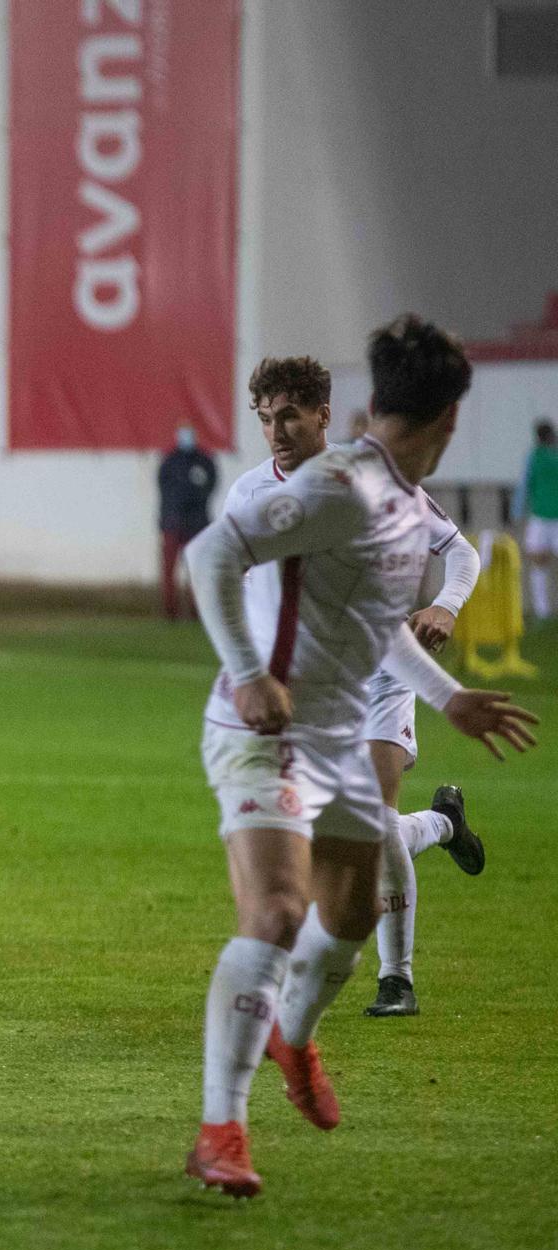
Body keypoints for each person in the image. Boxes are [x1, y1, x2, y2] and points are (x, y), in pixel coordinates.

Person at [181, 318, 538, 1198]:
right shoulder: (337, 487)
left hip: (339, 740)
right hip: (258, 732)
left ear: (370, 404)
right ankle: (221, 1128)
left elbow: (375, 623)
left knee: (347, 919)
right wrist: (245, 672)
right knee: (274, 914)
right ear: (450, 419)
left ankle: (291, 1036)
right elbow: (211, 552)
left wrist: (448, 696)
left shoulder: (409, 510)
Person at [220, 358, 489, 1024]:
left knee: (368, 818)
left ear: (322, 415)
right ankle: (445, 822)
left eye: (288, 415)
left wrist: (447, 606)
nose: (276, 430)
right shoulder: (246, 495)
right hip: (305, 689)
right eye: (265, 417)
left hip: (378, 672)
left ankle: (396, 975)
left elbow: (462, 554)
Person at [157, 423, 218, 620]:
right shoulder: (169, 461)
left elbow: (211, 486)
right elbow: (163, 491)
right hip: (173, 522)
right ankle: (170, 611)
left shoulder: (204, 461)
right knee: (169, 570)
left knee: (197, 570)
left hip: (197, 524)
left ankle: (196, 611)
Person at [520, 418, 558, 621]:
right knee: (539, 563)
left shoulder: (534, 457)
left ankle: (542, 611)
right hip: (546, 516)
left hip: (540, 517)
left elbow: (524, 486)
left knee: (538, 564)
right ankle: (543, 612)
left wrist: (517, 512)